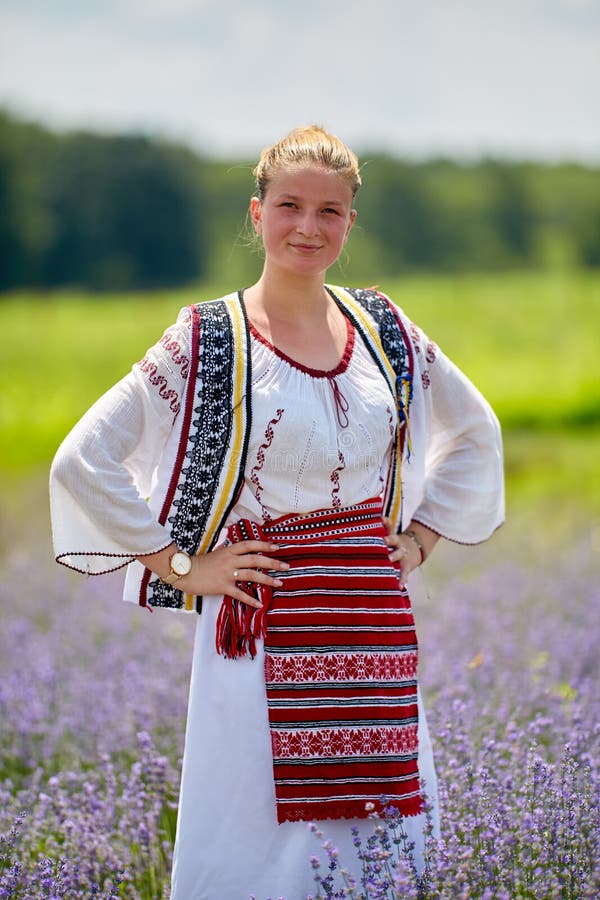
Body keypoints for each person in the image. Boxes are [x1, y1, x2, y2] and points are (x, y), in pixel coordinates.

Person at [50, 125, 504, 899]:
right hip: (259, 622)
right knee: (259, 841)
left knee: (382, 827)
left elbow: (477, 428)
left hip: (370, 621)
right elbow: (81, 459)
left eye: (330, 211)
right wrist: (181, 565)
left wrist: (422, 538)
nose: (308, 227)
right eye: (289, 205)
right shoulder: (208, 336)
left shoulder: (384, 328)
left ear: (349, 224)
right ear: (256, 213)